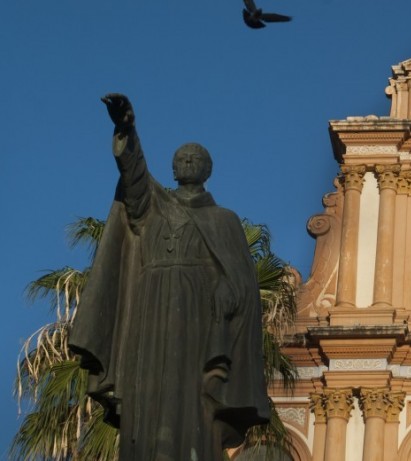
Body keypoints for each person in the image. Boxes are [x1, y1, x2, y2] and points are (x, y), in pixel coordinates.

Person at [69, 93, 270, 460]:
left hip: (198, 316)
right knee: (147, 387)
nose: (187, 161)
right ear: (173, 169)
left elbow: (241, 279)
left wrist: (228, 291)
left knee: (190, 393)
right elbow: (134, 176)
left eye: (195, 158)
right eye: (181, 158)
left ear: (207, 170)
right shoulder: (153, 207)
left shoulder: (224, 220)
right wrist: (126, 131)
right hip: (150, 306)